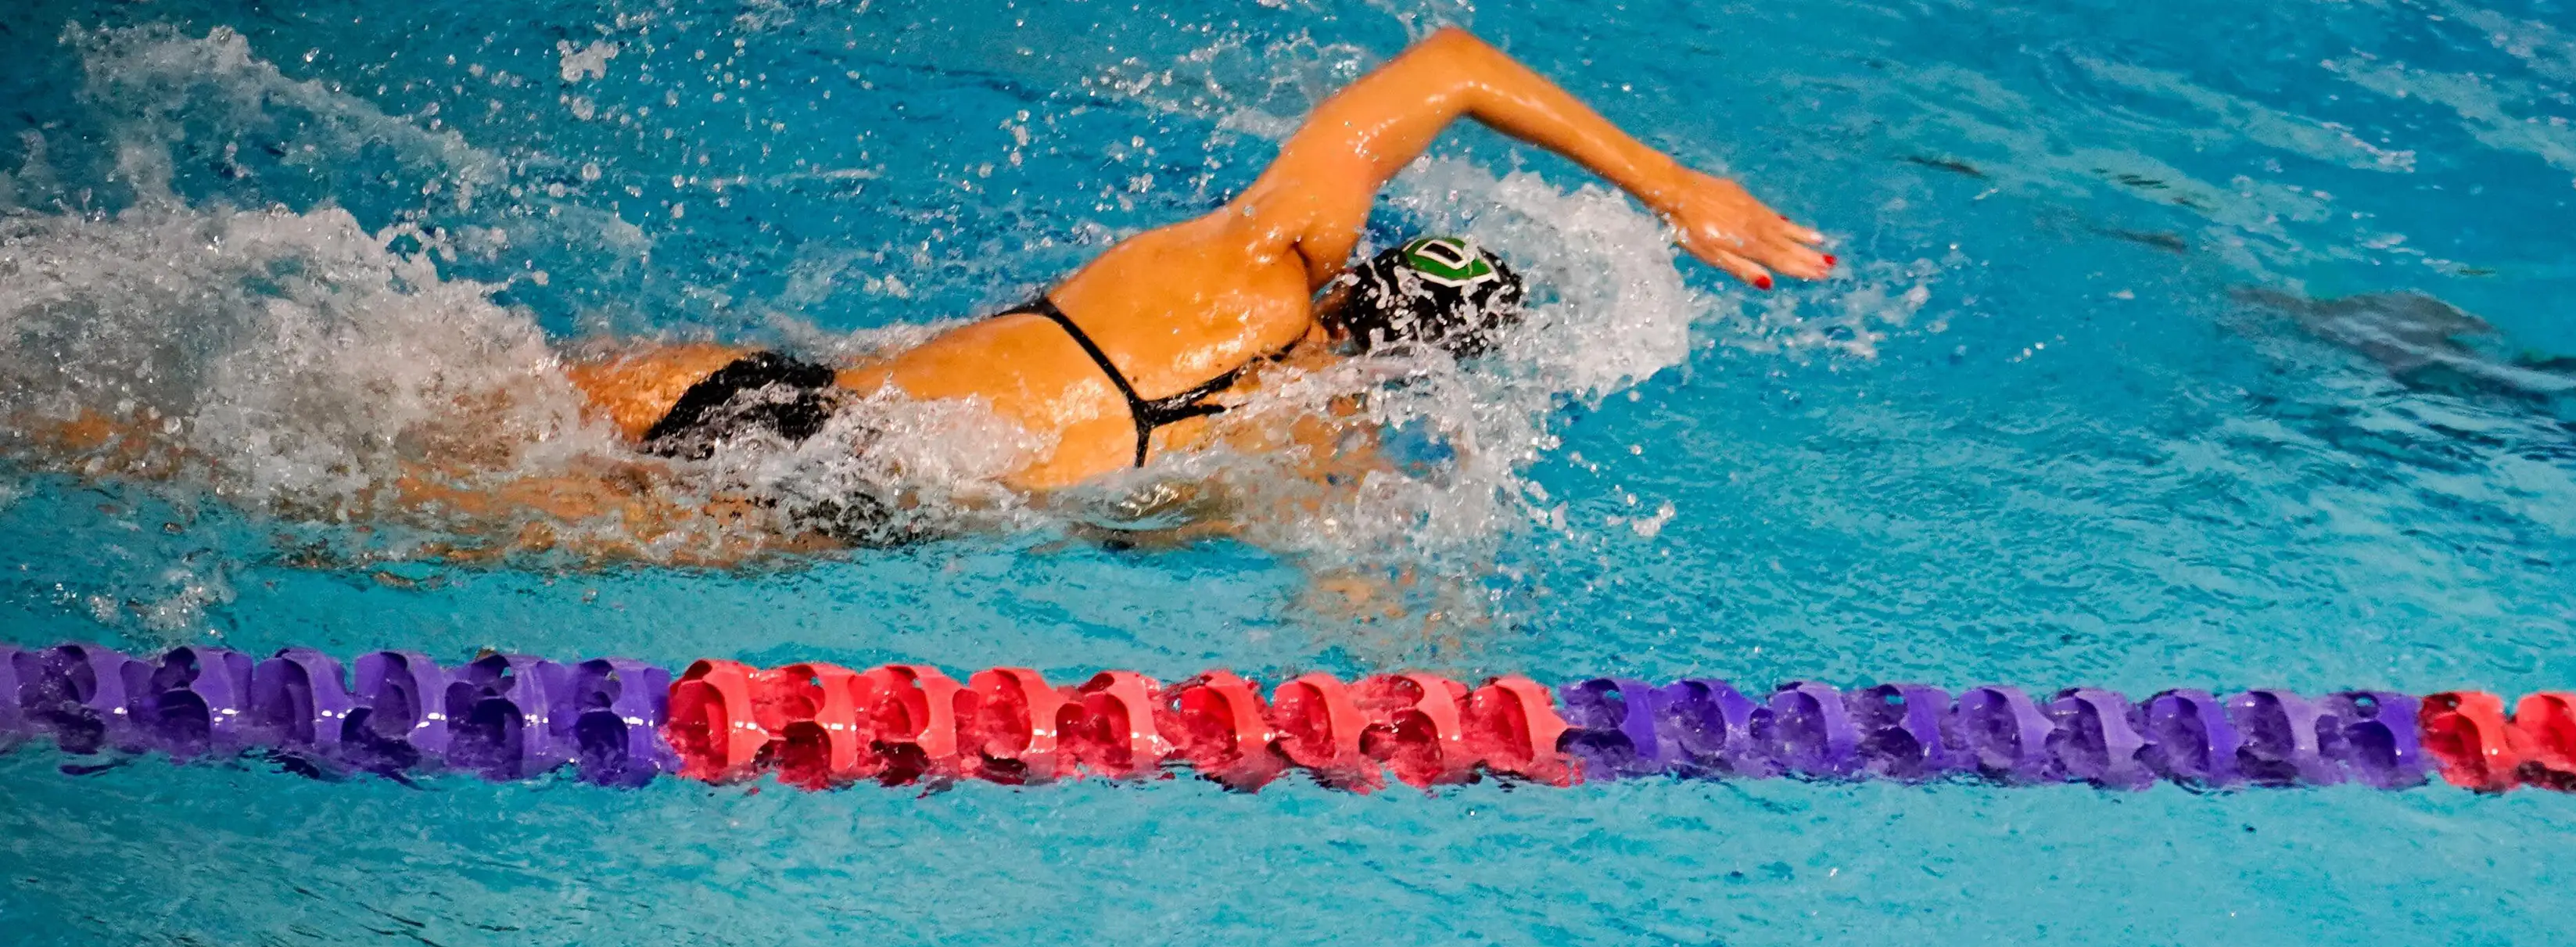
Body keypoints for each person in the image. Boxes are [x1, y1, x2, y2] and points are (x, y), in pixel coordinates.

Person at [561, 27, 1834, 491]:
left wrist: (1675, 187)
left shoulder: (1258, 248)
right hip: (827, 506)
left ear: (1360, 275)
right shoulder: (1316, 452)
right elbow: (1373, 635)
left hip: (797, 393)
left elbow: (1449, 63)